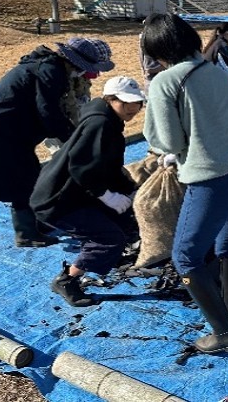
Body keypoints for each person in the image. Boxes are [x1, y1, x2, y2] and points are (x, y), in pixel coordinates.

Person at [141, 13, 228, 354]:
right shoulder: (219, 72)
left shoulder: (167, 81)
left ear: (159, 51)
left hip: (213, 183)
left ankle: (223, 334)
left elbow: (166, 141)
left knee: (185, 257)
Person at [0, 37, 114, 248]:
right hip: (1, 130)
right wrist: (72, 140)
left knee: (26, 176)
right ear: (76, 63)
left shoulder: (49, 67)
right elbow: (48, 112)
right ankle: (27, 233)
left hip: (12, 130)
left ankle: (35, 223)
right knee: (24, 179)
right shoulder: (50, 71)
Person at [30, 76, 145, 307]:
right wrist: (107, 196)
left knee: (122, 219)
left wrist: (130, 190)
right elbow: (81, 167)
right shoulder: (100, 125)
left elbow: (108, 167)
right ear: (110, 99)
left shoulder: (108, 120)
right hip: (58, 200)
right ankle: (67, 280)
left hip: (77, 193)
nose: (132, 108)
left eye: (137, 103)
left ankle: (107, 256)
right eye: (126, 103)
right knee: (108, 239)